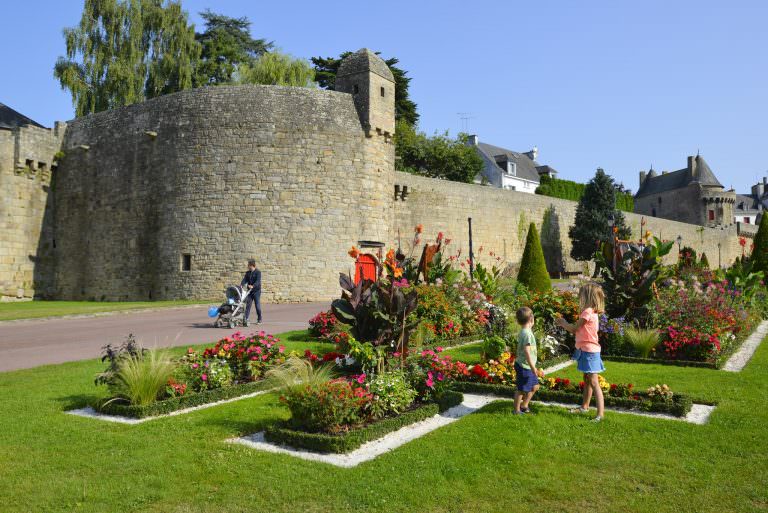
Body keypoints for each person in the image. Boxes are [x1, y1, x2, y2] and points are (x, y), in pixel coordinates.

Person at [555, 282, 605, 422]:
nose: (579, 298)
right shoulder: (592, 312)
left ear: (587, 296)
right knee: (587, 380)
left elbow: (574, 329)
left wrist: (563, 323)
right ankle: (585, 407)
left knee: (594, 381)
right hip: (586, 349)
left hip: (589, 351)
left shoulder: (587, 312)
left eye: (581, 295)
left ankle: (600, 415)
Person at [513, 306, 541, 415]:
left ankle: (524, 405)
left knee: (535, 386)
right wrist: (533, 367)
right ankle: (516, 410)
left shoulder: (526, 331)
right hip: (525, 366)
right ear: (531, 318)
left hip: (527, 366)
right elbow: (527, 352)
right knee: (521, 389)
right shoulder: (527, 334)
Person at [241, 259, 262, 326]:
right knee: (248, 305)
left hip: (256, 291)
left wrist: (253, 286)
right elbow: (244, 280)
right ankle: (246, 319)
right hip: (249, 292)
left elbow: (258, 281)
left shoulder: (258, 272)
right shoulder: (248, 273)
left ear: (252, 265)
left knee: (257, 306)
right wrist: (242, 285)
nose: (248, 267)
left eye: (248, 265)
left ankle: (259, 319)